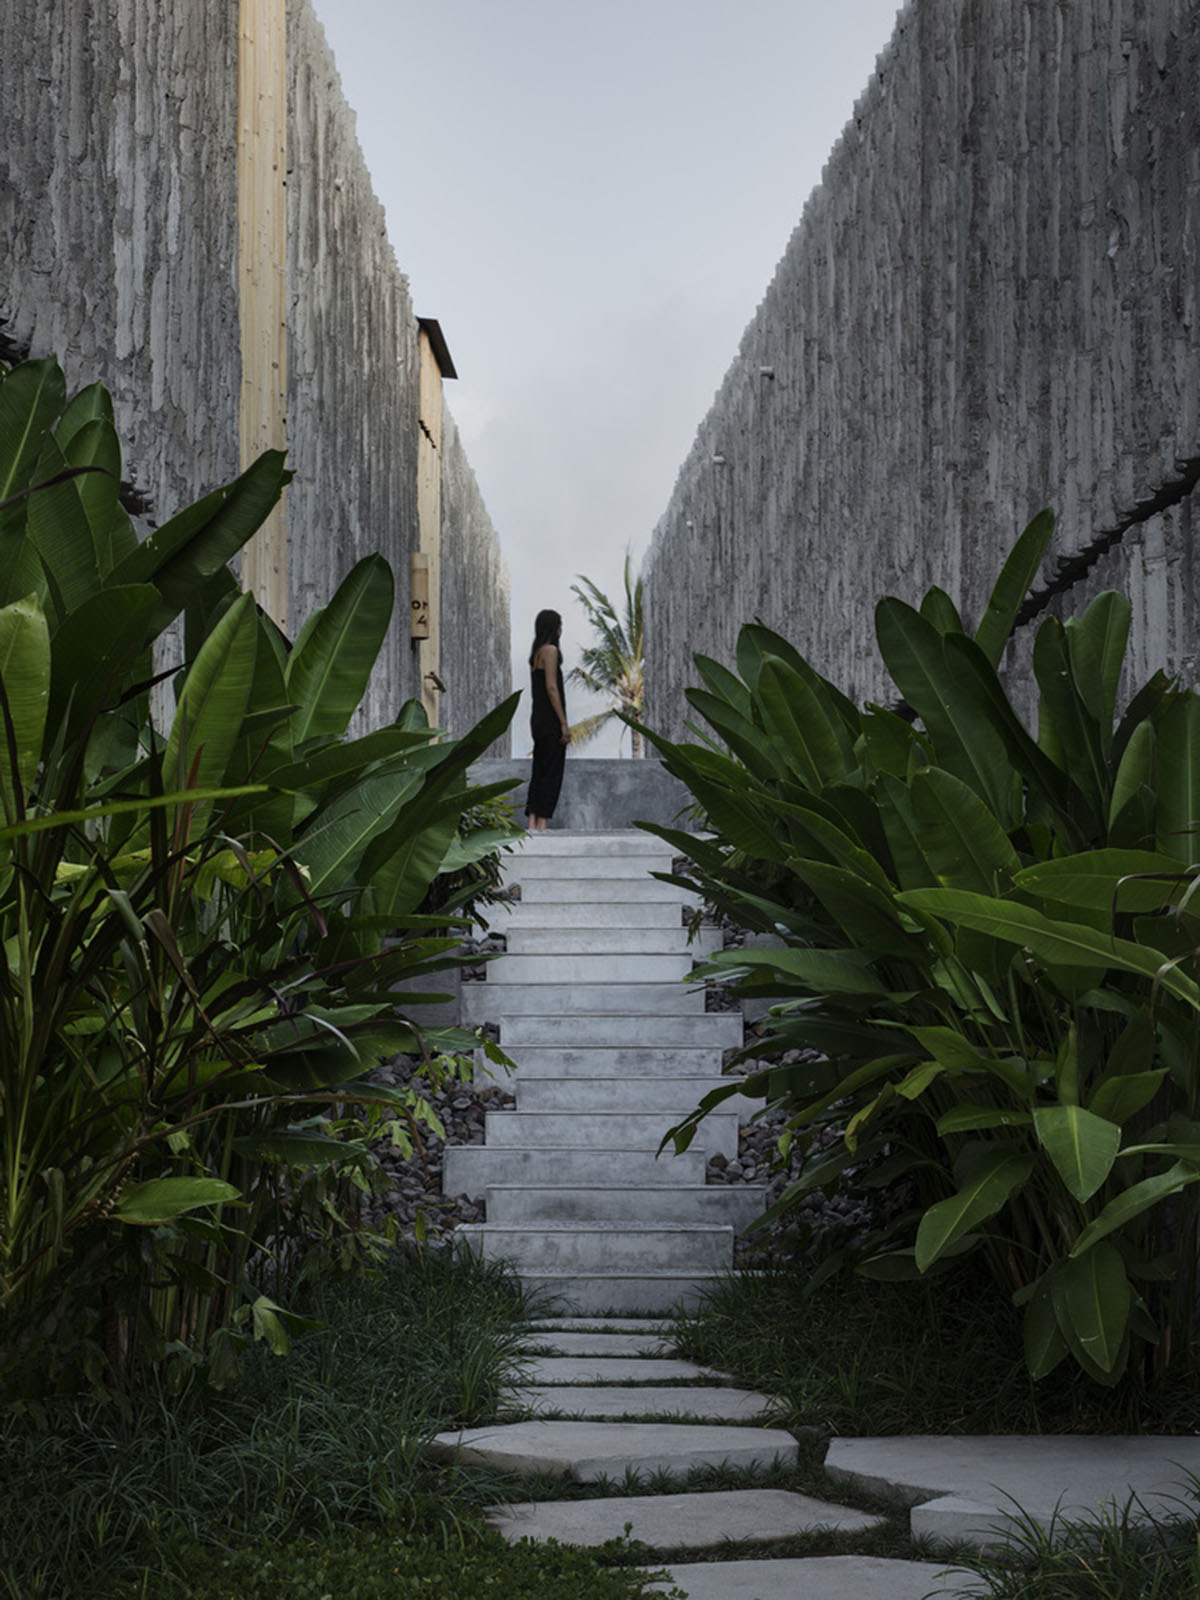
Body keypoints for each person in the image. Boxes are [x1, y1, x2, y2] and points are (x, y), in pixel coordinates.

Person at [525, 608, 570, 829]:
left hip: (537, 719)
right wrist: (563, 722)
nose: (562, 629)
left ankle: (533, 821)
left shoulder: (536, 654)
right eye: (560, 625)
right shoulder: (550, 651)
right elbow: (552, 688)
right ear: (554, 628)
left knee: (540, 768)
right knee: (552, 770)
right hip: (550, 720)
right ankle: (542, 822)